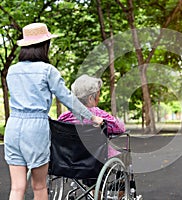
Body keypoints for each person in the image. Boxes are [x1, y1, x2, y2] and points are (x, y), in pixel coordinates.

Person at [4, 23, 104, 200]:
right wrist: (92, 117)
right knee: (39, 186)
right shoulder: (47, 70)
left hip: (12, 127)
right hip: (35, 128)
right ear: (44, 45)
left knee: (17, 188)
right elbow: (68, 98)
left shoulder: (12, 70)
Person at [58, 74, 125, 158]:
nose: (99, 99)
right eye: (98, 95)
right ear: (90, 98)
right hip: (96, 158)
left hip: (71, 158)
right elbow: (120, 128)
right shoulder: (98, 115)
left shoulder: (64, 117)